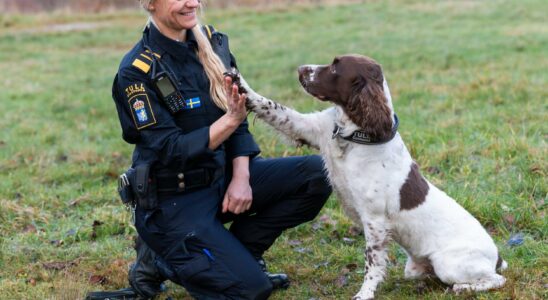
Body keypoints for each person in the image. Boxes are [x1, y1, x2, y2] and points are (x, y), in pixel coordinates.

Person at [102, 0, 332, 299]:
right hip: (174, 202)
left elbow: (239, 121)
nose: (193, 3)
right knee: (250, 291)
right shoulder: (136, 72)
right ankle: (167, 259)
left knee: (319, 174)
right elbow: (172, 149)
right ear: (151, 4)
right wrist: (231, 120)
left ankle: (242, 251)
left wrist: (241, 177)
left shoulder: (214, 45)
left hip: (218, 180)